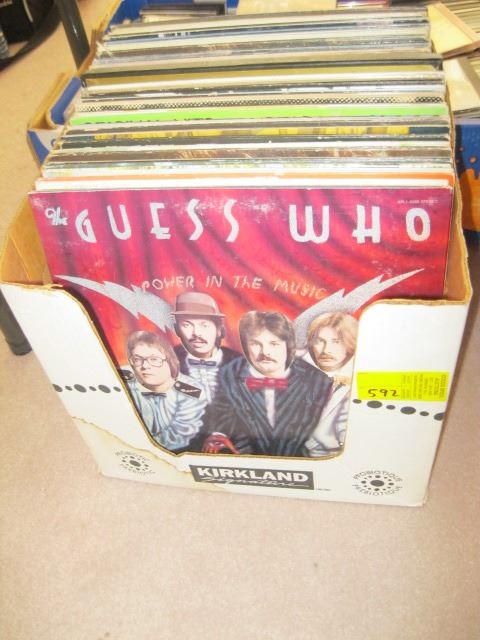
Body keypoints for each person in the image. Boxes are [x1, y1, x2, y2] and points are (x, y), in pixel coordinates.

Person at [196, 310, 333, 457]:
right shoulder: (231, 372)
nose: (265, 352)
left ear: (288, 346)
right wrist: (219, 436)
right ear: (245, 346)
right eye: (255, 344)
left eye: (274, 344)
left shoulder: (317, 380)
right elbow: (222, 411)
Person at [122, 330, 206, 453]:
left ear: (169, 359)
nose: (145, 366)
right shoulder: (125, 380)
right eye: (137, 359)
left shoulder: (191, 390)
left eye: (154, 359)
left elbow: (179, 436)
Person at [302, 312, 359, 457]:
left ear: (351, 343)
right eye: (320, 341)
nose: (326, 350)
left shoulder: (359, 383)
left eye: (336, 341)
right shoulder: (297, 376)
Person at [172, 291, 240, 404]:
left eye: (204, 325)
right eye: (186, 325)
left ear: (219, 330)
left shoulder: (239, 364)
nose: (196, 333)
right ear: (177, 330)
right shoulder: (167, 362)